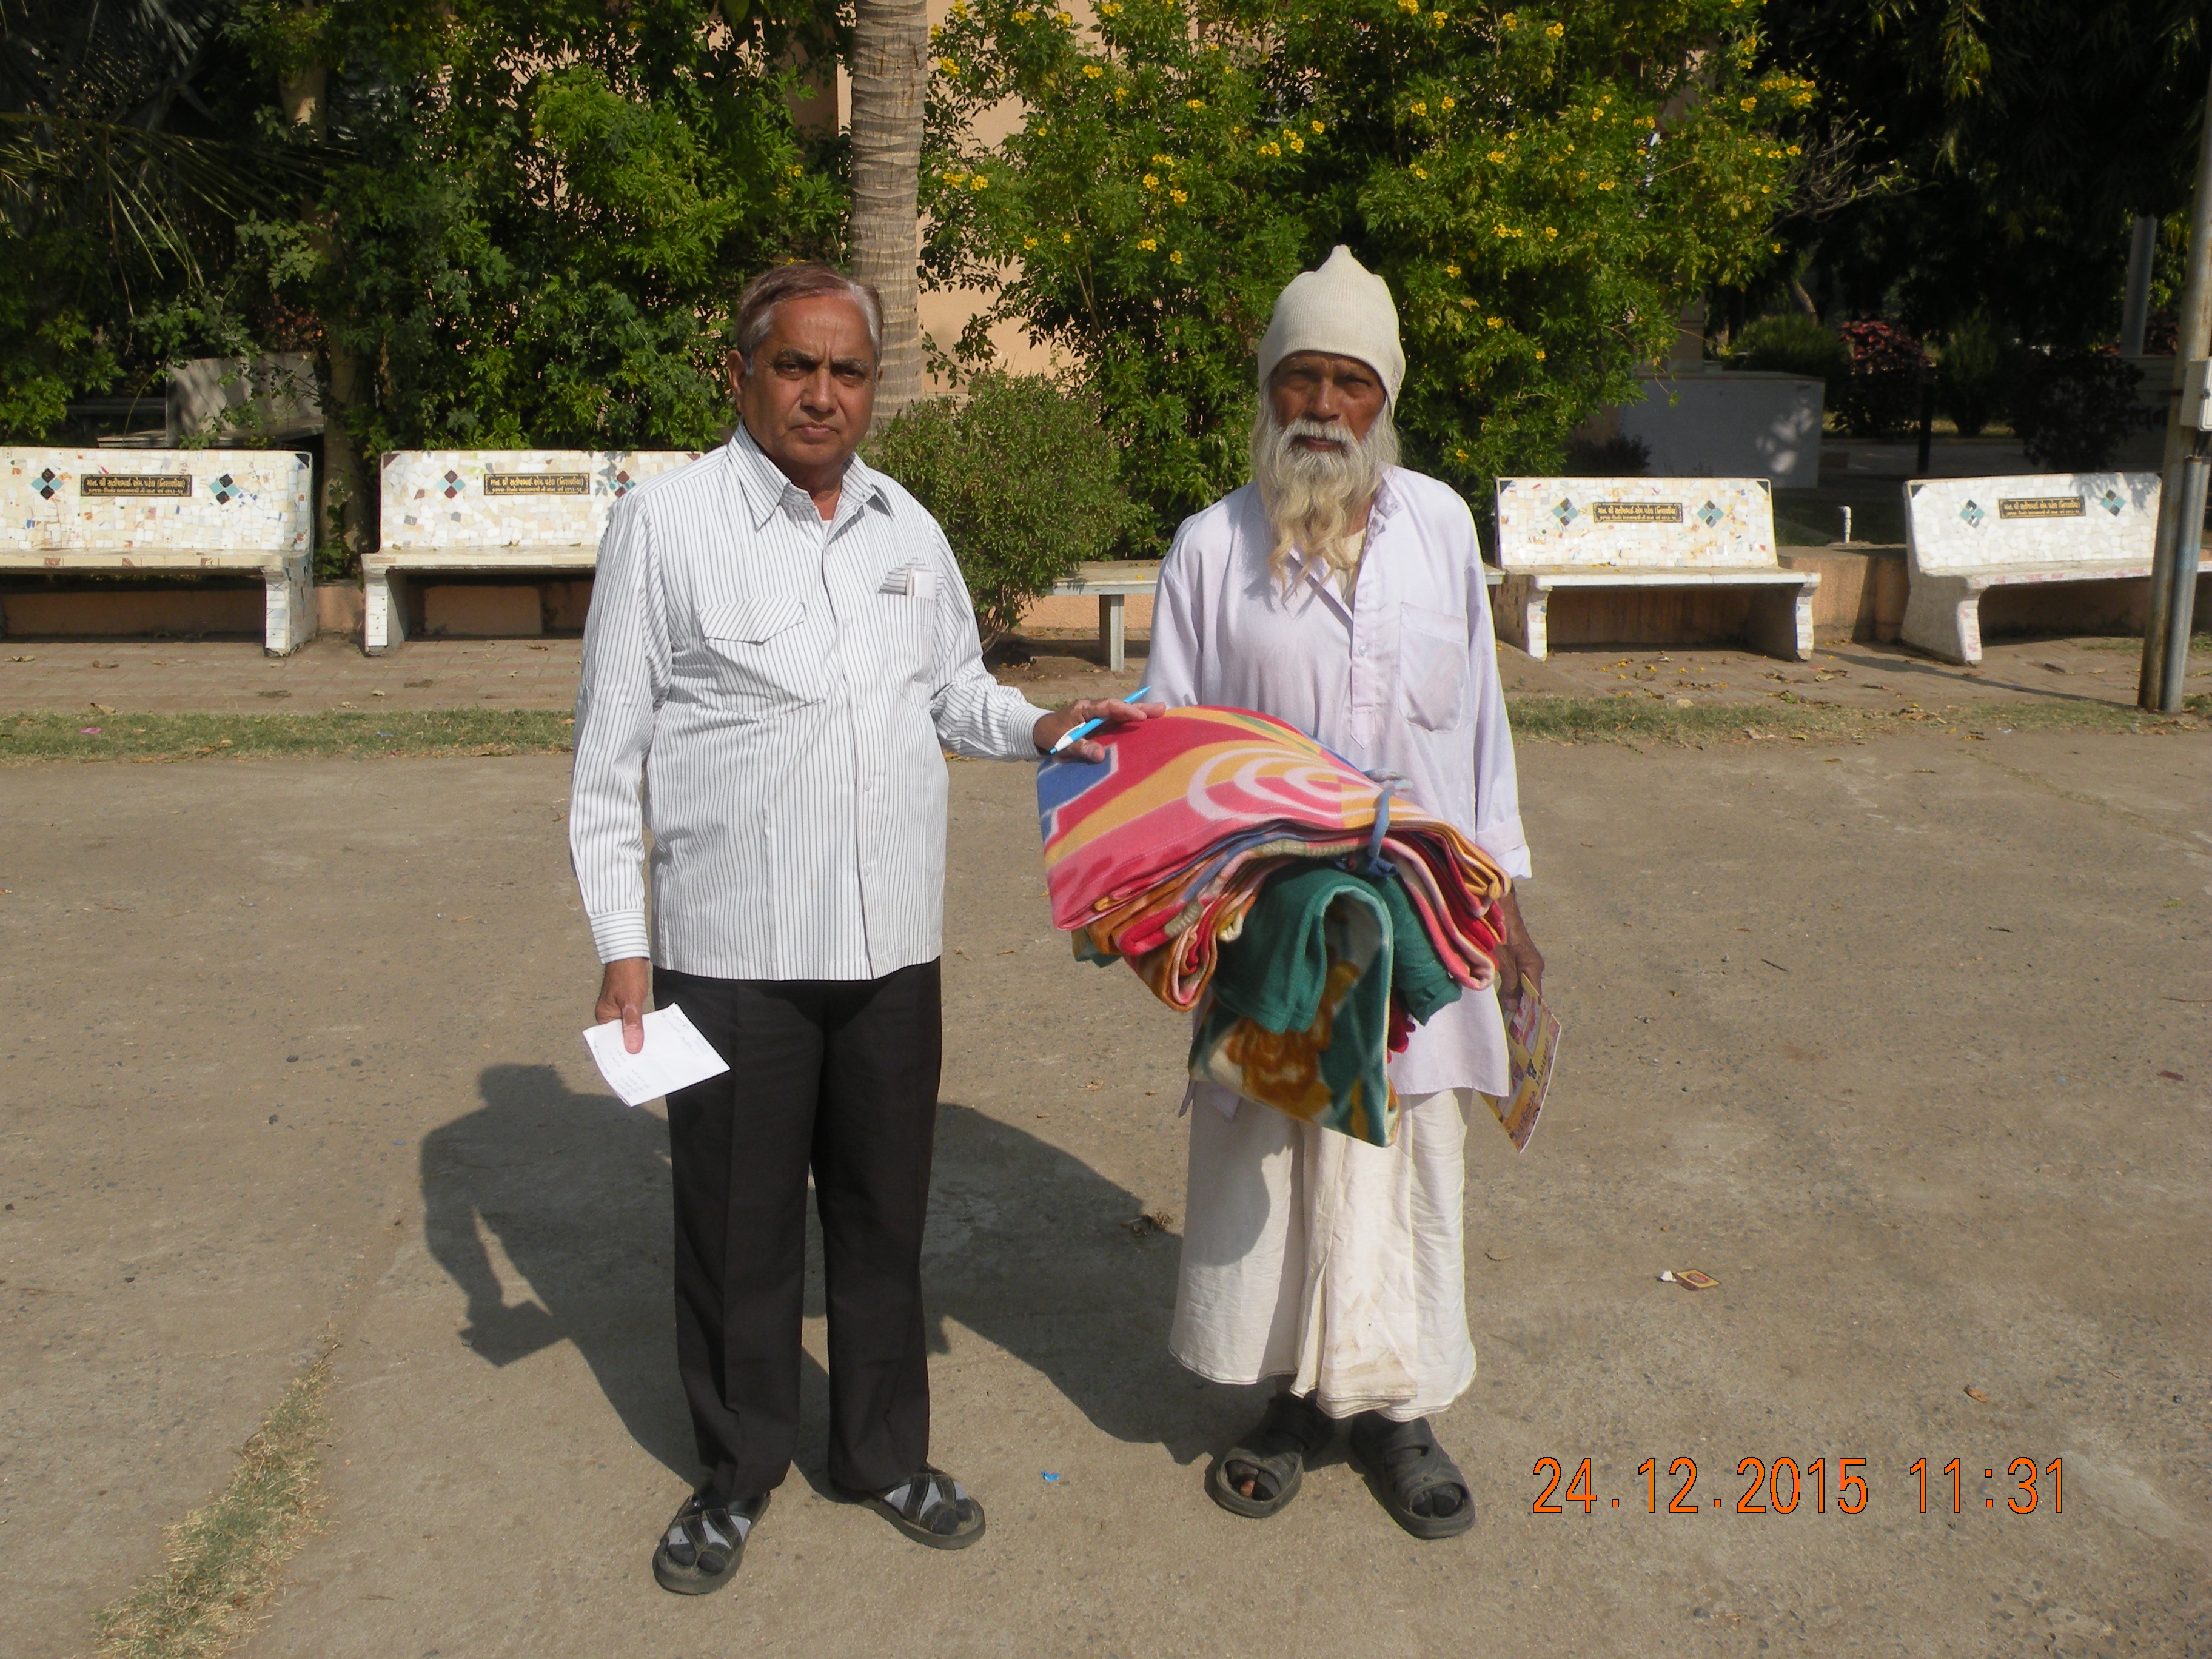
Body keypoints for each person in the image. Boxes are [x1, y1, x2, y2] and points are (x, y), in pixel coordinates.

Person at [568, 261, 1154, 1595]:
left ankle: (885, 1456)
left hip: (892, 954)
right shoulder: (666, 526)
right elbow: (609, 764)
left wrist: (1047, 725)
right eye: (795, 365)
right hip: (732, 957)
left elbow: (956, 694)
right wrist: (623, 950)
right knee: (737, 1230)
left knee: (886, 1222)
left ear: (873, 388)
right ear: (740, 374)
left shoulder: (907, 528)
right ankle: (736, 1472)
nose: (822, 394)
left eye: (847, 371)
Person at [1147, 246, 1547, 1540]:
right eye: (1302, 377)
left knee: (1410, 1151)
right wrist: (1193, 918)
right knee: (1277, 1153)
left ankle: (1399, 1409)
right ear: (1269, 388)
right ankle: (1291, 1404)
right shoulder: (1210, 548)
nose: (1323, 405)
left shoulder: (1441, 528)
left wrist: (1507, 901)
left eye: (1351, 382)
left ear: (1386, 399)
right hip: (1276, 919)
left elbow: (1479, 728)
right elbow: (1169, 750)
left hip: (1424, 914)